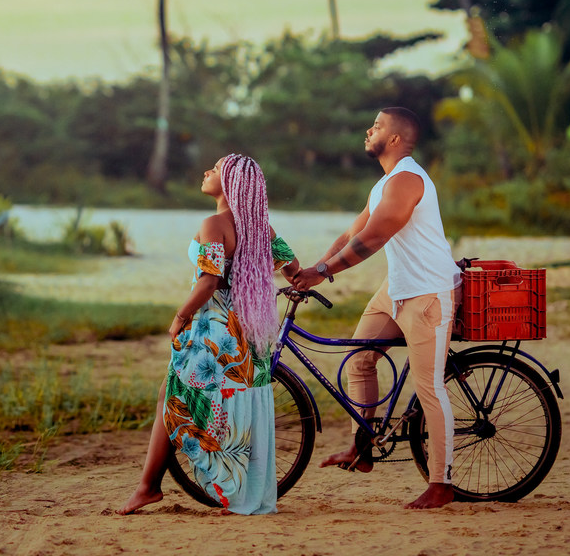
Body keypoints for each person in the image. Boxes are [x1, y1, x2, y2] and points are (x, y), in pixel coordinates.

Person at [291, 107, 460, 510]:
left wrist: (321, 272)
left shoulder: (406, 180)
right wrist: (313, 269)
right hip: (396, 290)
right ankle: (361, 449)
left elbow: (374, 239)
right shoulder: (384, 183)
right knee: (359, 359)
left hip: (428, 294)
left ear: (397, 138)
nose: (369, 129)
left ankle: (442, 483)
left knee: (429, 388)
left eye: (378, 126)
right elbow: (353, 233)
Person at [117, 153, 300, 515]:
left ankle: (148, 487)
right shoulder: (263, 229)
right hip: (249, 333)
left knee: (172, 400)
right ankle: (152, 486)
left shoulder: (213, 224)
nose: (207, 172)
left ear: (229, 182)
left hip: (213, 333)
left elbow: (209, 279)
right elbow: (294, 269)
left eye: (215, 169)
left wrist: (180, 315)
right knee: (186, 399)